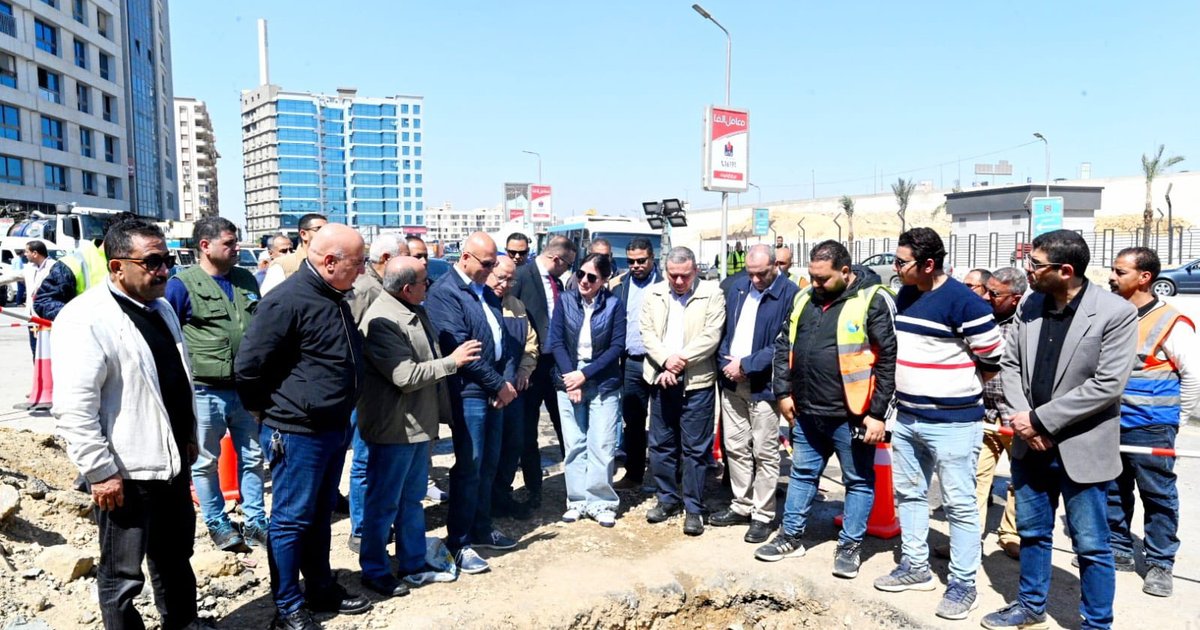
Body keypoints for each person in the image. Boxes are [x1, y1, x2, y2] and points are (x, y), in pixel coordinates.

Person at [980, 230, 1136, 630]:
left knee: (1092, 545)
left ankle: (1097, 623)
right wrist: (1023, 420)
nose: (1027, 271)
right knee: (1032, 533)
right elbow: (1010, 364)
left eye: (1035, 265)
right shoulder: (1031, 304)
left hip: (1082, 448)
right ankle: (1030, 606)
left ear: (1065, 270)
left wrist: (1040, 420)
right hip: (1031, 446)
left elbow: (1106, 385)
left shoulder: (1114, 313)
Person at [53, 218, 202, 629]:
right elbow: (74, 407)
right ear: (117, 267)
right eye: (152, 262)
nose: (164, 270)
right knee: (122, 576)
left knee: (175, 559)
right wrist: (100, 471)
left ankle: (183, 623)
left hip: (170, 463)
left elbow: (174, 378)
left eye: (166, 260)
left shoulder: (162, 308)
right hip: (124, 473)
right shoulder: (86, 318)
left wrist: (187, 435)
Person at [235, 224, 372, 629]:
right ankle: (288, 605)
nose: (363, 271)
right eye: (358, 262)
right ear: (329, 262)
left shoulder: (333, 296)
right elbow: (248, 368)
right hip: (297, 431)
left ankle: (320, 587)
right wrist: (269, 414)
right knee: (292, 520)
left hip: (331, 427)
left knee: (318, 515)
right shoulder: (288, 300)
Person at [873, 227, 1004, 622]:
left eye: (902, 263)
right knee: (910, 495)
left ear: (929, 264)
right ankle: (916, 566)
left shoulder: (966, 304)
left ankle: (964, 583)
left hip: (953, 422)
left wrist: (956, 390)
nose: (896, 270)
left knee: (959, 503)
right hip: (909, 417)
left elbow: (992, 359)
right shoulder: (908, 294)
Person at [758, 240, 894, 579]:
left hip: (853, 414)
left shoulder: (872, 300)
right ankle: (790, 537)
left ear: (845, 272)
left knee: (858, 481)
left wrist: (877, 414)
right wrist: (783, 392)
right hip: (806, 411)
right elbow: (782, 345)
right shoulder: (803, 297)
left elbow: (889, 359)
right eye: (812, 277)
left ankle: (849, 546)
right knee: (802, 474)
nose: (815, 284)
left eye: (823, 279)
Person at [357, 256, 481, 597]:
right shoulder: (383, 320)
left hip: (416, 424)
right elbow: (405, 375)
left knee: (411, 500)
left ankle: (412, 562)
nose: (430, 286)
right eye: (425, 281)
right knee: (383, 503)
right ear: (408, 288)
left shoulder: (410, 309)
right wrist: (452, 363)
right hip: (395, 427)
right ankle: (375, 570)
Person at [164, 217, 268, 553]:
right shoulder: (182, 284)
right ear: (205, 246)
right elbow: (169, 336)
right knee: (206, 461)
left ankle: (255, 520)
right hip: (205, 389)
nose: (236, 248)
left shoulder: (245, 280)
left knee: (253, 457)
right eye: (229, 243)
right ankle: (217, 521)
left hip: (247, 389)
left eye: (236, 242)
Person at [425, 232, 520, 574]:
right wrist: (499, 385)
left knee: (488, 463)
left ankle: (481, 527)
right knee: (470, 465)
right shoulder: (446, 293)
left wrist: (505, 383)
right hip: (469, 393)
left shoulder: (486, 292)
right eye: (486, 263)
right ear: (465, 257)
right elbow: (462, 352)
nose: (491, 270)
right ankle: (460, 540)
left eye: (495, 264)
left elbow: (504, 342)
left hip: (495, 391)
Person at [1106, 247, 1196, 597]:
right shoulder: (1115, 314)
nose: (1112, 277)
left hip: (1151, 425)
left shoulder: (1171, 322)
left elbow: (1193, 376)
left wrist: (1178, 420)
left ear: (1145, 277)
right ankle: (1119, 549)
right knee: (1114, 489)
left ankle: (1160, 562)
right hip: (1112, 422)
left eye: (1120, 272)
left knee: (1157, 494)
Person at [710, 245, 799, 543]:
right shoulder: (738, 288)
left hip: (763, 385)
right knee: (735, 447)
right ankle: (741, 503)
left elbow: (784, 343)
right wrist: (726, 360)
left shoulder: (789, 294)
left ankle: (762, 514)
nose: (756, 280)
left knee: (764, 451)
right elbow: (725, 330)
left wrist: (746, 365)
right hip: (731, 381)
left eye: (762, 273)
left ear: (776, 266)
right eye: (751, 274)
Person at [640, 246, 725, 536]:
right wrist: (665, 360)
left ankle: (694, 507)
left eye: (684, 276)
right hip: (661, 378)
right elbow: (647, 333)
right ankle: (667, 499)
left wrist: (680, 361)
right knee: (662, 445)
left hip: (696, 383)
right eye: (673, 276)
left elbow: (711, 335)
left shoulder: (711, 293)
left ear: (695, 271)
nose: (678, 282)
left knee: (695, 450)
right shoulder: (653, 294)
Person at [548, 253, 626, 526]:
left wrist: (585, 374)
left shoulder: (615, 305)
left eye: (591, 277)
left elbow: (616, 347)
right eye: (580, 274)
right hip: (568, 375)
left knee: (602, 444)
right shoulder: (566, 301)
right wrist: (572, 377)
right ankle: (577, 500)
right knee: (574, 443)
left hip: (603, 380)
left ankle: (602, 502)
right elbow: (556, 341)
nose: (583, 281)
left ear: (604, 280)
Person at [511, 235, 578, 505]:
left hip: (556, 365)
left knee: (568, 424)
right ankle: (534, 488)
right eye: (568, 264)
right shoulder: (521, 276)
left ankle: (575, 483)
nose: (569, 270)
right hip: (530, 365)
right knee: (528, 429)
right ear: (556, 258)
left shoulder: (558, 282)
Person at [977, 267, 1026, 560]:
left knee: (1019, 479)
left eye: (995, 294)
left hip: (1014, 414)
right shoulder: (982, 320)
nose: (987, 297)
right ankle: (969, 538)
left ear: (1016, 298)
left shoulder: (1028, 325)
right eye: (987, 290)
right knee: (975, 477)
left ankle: (1011, 535)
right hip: (983, 412)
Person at [489, 256, 539, 520]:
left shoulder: (517, 307)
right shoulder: (480, 303)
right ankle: (484, 501)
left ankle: (502, 496)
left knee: (513, 445)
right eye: (501, 278)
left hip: (515, 391)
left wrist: (524, 371)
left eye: (511, 279)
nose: (506, 284)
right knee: (489, 451)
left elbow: (531, 345)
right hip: (489, 392)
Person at [611, 238, 660, 489]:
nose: (636, 266)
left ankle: (666, 478)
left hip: (660, 363)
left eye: (641, 261)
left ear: (652, 258)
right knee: (633, 420)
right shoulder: (620, 287)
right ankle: (634, 473)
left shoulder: (665, 284)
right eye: (631, 261)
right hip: (631, 362)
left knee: (664, 422)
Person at [260, 213, 328, 295]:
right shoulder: (282, 265)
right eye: (319, 229)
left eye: (327, 229)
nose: (325, 233)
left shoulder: (331, 263)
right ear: (303, 234)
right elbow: (269, 303)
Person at [20, 240, 53, 355]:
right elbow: (12, 276)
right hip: (31, 317)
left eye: (26, 251)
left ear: (35, 253)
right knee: (35, 350)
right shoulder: (29, 268)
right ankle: (38, 372)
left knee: (48, 351)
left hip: (46, 316)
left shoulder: (53, 267)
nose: (25, 254)